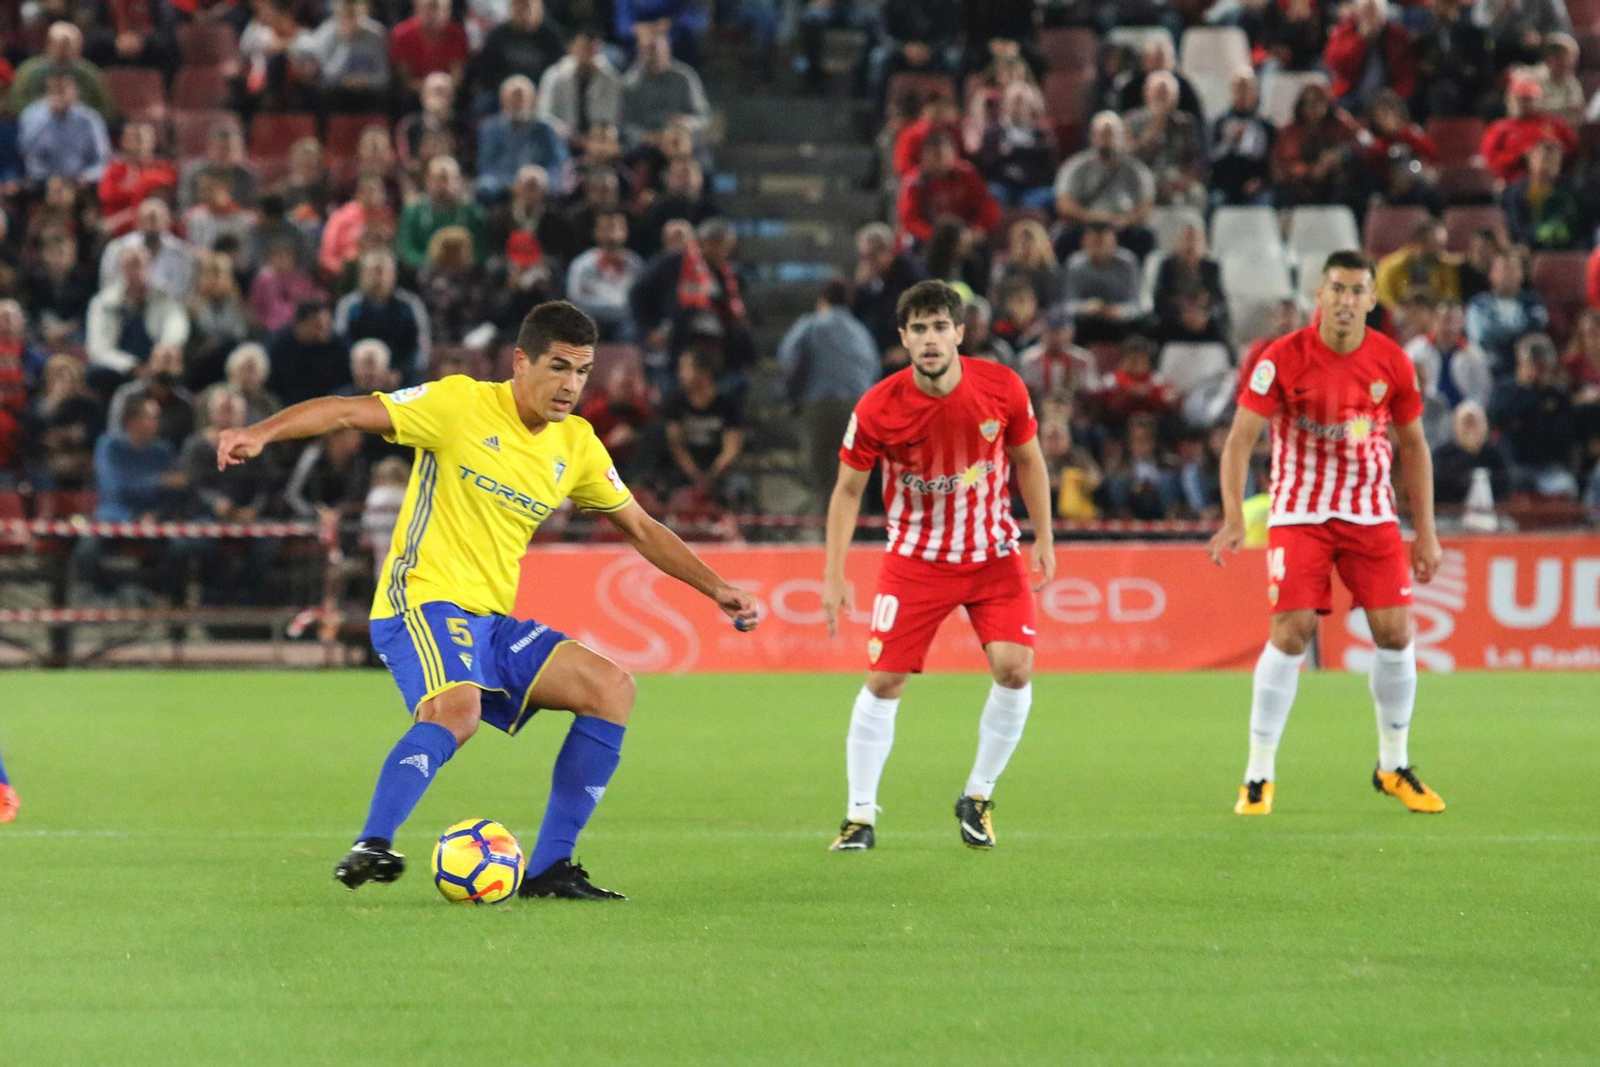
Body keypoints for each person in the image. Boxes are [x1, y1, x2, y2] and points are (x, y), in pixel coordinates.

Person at [216, 301, 759, 898]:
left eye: (582, 371)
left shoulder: (576, 444)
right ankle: (373, 841)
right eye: (558, 367)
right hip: (420, 600)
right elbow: (348, 411)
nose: (571, 385)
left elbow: (641, 527)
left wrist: (717, 587)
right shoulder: (460, 404)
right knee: (457, 712)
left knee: (612, 689)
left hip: (489, 621)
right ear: (521, 362)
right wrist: (259, 432)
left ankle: (550, 868)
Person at [1207, 250, 1445, 817]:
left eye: (1356, 290)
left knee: (1395, 633)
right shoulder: (1281, 358)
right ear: (1319, 295)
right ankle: (1258, 775)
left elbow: (1413, 447)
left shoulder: (1392, 363)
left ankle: (1393, 765)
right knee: (1290, 633)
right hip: (1300, 515)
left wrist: (1426, 533)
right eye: (1335, 288)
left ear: (1370, 299)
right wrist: (1234, 516)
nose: (1345, 299)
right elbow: (1240, 439)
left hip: (1371, 514)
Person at [821, 280, 1054, 851]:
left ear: (960, 332)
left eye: (940, 326)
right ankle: (859, 816)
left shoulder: (1002, 387)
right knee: (884, 679)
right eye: (918, 329)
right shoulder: (878, 405)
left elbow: (1029, 459)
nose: (930, 339)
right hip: (916, 560)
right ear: (903, 338)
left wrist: (1045, 535)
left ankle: (977, 795)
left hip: (993, 555)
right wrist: (834, 573)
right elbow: (848, 491)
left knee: (1015, 669)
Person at [777, 275, 879, 507]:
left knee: (821, 470)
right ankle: (853, 529)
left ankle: (828, 524)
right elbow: (874, 373)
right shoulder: (861, 332)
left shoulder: (811, 324)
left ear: (822, 299)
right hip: (860, 410)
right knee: (853, 474)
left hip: (821, 407)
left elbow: (789, 359)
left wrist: (788, 398)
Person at [18, 73, 111, 186]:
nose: (60, 95)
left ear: (76, 92)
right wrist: (50, 116)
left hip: (79, 180)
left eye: (64, 90)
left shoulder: (90, 119)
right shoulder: (32, 114)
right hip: (42, 180)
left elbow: (103, 158)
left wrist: (87, 176)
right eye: (54, 90)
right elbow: (25, 149)